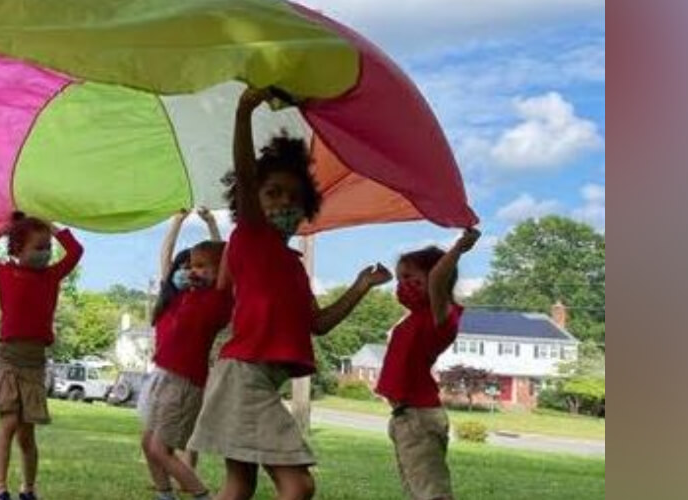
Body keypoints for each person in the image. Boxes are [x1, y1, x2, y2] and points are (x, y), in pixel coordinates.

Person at [186, 88, 390, 500]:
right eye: (273, 192)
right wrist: (245, 111)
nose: (284, 202)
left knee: (239, 485)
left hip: (256, 378)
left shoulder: (294, 266)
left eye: (294, 197)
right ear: (251, 201)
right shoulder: (251, 236)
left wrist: (360, 287)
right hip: (244, 375)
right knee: (298, 485)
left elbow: (318, 324)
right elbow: (245, 171)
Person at [0, 211, 82, 500]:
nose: (46, 253)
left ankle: (28, 489)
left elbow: (76, 251)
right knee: (7, 423)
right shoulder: (4, 272)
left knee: (26, 433)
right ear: (18, 249)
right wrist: (5, 227)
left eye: (48, 248)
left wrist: (50, 225)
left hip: (34, 362)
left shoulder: (53, 275)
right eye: (39, 247)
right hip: (6, 359)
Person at [378, 227, 481, 500]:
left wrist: (459, 247)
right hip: (405, 417)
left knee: (432, 493)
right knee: (418, 491)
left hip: (419, 417)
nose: (402, 285)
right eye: (399, 279)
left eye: (410, 277)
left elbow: (437, 279)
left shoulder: (442, 318)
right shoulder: (415, 319)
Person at [140, 208, 226, 500]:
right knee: (147, 443)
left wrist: (212, 225)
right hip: (163, 376)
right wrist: (176, 222)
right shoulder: (184, 296)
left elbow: (227, 259)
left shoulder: (219, 298)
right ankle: (165, 495)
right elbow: (168, 261)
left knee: (160, 449)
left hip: (184, 381)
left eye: (202, 267)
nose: (193, 271)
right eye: (191, 266)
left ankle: (202, 495)